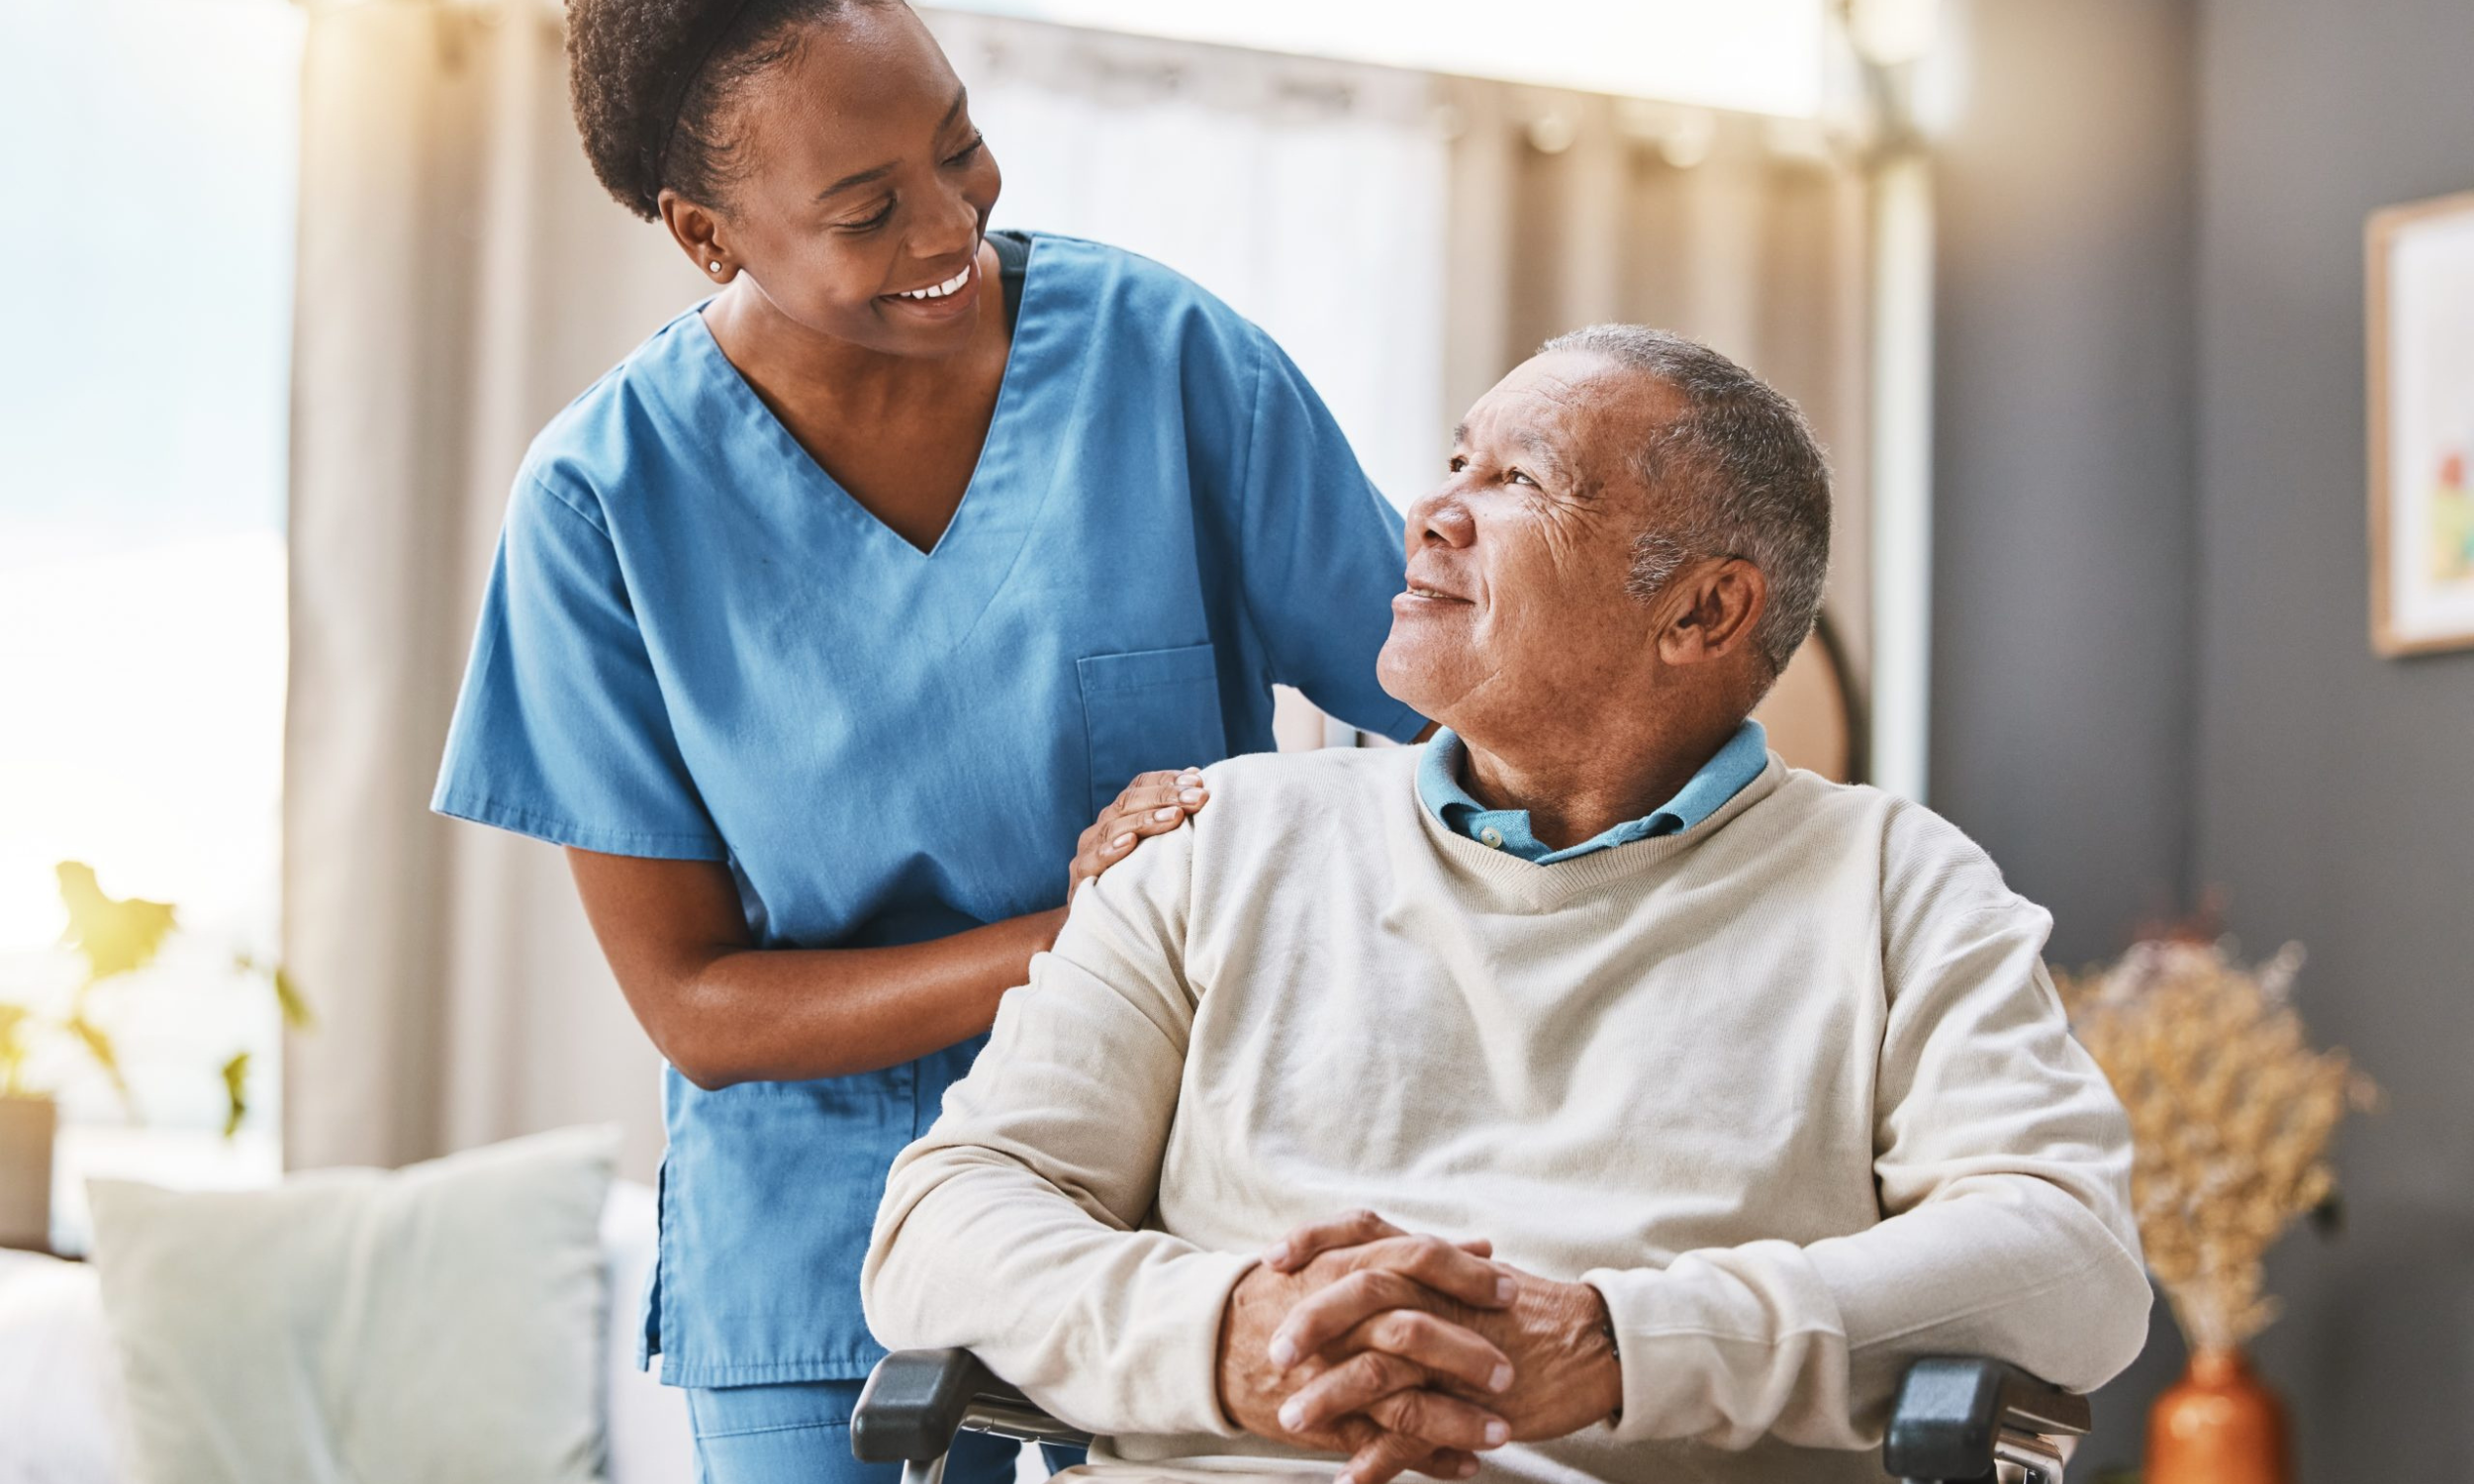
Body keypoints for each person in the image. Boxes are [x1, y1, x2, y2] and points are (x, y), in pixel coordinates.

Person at [863, 326, 2151, 1484]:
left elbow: (2068, 1260)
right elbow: (945, 1219)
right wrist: (1232, 1333)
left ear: (1704, 610)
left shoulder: (1897, 888)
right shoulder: (1216, 843)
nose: (1429, 511)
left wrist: (1615, 1346)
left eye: (1516, 482)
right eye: (1455, 462)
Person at [429, 3, 1426, 1480]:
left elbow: (1461, 707)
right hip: (823, 1246)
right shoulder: (602, 505)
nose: (950, 216)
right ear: (709, 238)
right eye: (867, 207)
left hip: (1189, 1213)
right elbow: (698, 1001)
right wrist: (1098, 930)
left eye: (960, 144)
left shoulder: (1168, 363)